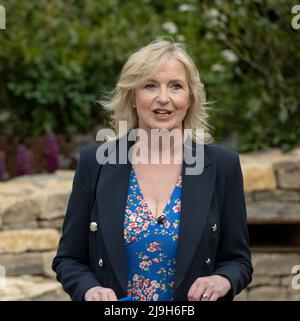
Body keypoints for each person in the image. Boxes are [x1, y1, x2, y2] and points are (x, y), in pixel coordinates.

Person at [52, 39, 253, 301]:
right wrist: (89, 289)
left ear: (190, 98)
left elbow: (238, 261)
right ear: (132, 97)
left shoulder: (222, 166)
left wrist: (222, 279)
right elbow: (69, 259)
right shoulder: (97, 163)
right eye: (150, 85)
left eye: (176, 86)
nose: (163, 98)